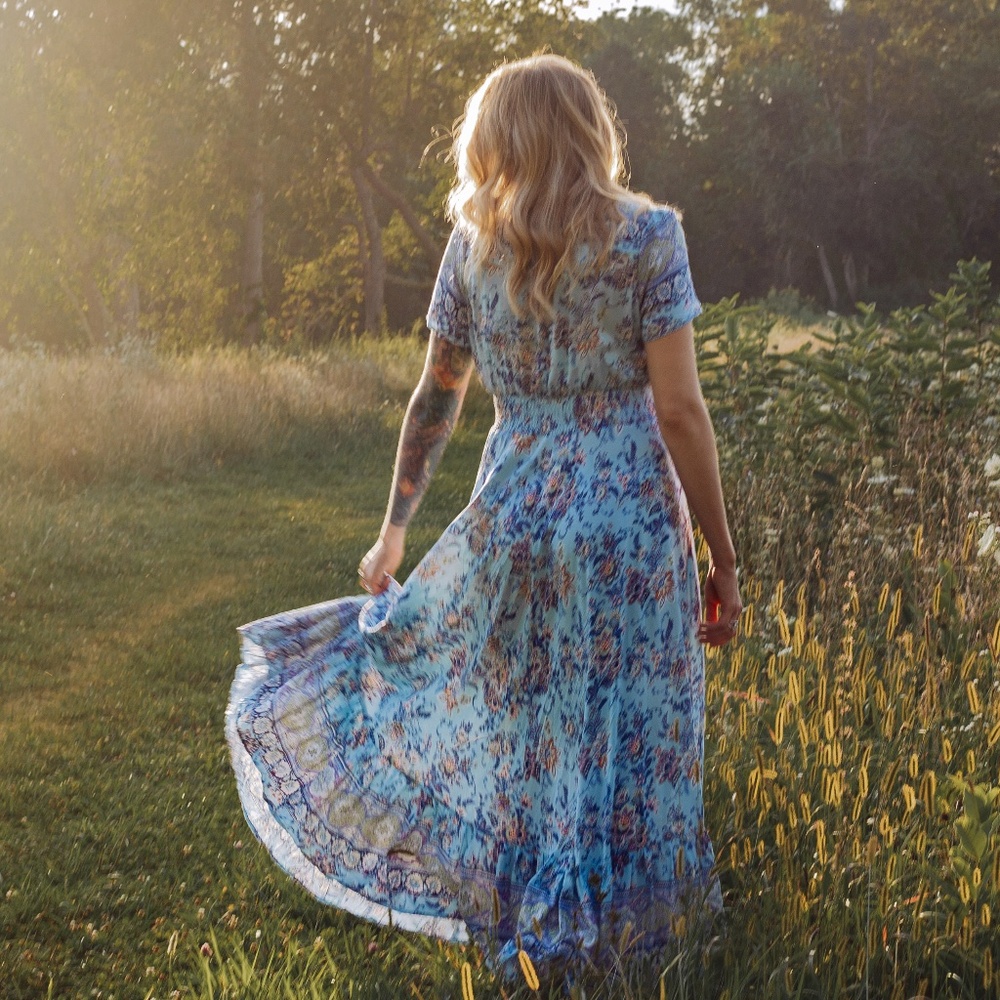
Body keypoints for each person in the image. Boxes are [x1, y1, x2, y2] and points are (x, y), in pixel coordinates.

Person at [226, 52, 741, 987]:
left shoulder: (473, 247)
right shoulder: (651, 237)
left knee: (527, 725)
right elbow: (679, 412)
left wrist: (396, 531)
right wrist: (724, 556)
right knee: (633, 720)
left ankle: (538, 916)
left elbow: (439, 393)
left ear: (493, 139)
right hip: (627, 521)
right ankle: (639, 933)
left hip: (517, 517)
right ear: (591, 130)